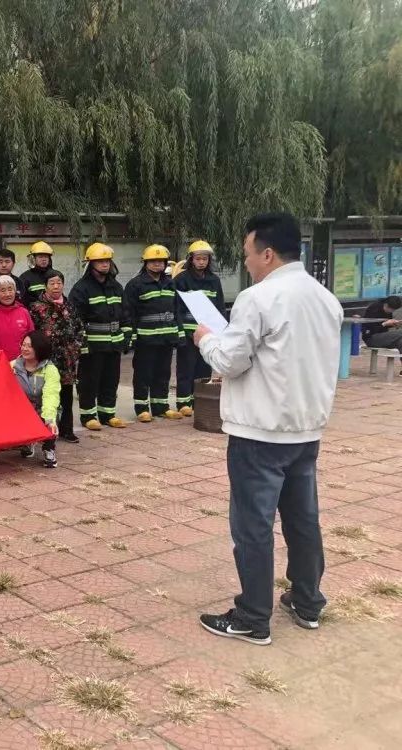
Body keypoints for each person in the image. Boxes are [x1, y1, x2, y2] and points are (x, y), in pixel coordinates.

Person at [194, 213, 342, 645]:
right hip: (306, 428)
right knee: (302, 518)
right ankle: (307, 600)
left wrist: (205, 338)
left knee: (253, 525)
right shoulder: (325, 298)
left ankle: (252, 616)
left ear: (268, 253)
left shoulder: (258, 299)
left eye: (248, 254)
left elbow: (229, 361)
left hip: (259, 432)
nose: (247, 262)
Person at [68, 243, 129, 430]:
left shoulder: (116, 287)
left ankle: (107, 414)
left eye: (107, 261)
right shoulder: (81, 288)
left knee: (111, 380)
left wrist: (126, 337)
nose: (105, 264)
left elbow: (126, 314)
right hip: (92, 346)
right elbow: (75, 319)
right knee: (89, 381)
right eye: (100, 261)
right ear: (91, 264)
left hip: (113, 344)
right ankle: (88, 416)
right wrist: (82, 344)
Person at [124, 244, 185, 423]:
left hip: (166, 339)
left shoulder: (170, 283)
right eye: (153, 261)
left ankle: (161, 407)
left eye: (160, 261)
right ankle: (142, 408)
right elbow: (129, 312)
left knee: (163, 373)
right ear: (146, 263)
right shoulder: (136, 285)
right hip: (146, 339)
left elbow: (176, 310)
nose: (157, 264)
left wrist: (179, 333)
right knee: (143, 374)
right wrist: (131, 337)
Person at [173, 240, 226, 416]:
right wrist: (180, 331)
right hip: (188, 333)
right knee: (186, 369)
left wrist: (222, 330)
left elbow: (219, 307)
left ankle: (199, 401)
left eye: (205, 259)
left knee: (203, 369)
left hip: (207, 335)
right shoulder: (181, 279)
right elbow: (176, 308)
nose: (202, 262)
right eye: (198, 259)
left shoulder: (214, 280)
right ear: (191, 260)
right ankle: (183, 403)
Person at [30, 272, 84, 443]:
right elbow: (32, 334)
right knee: (44, 397)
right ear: (45, 286)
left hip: (67, 360)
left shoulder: (70, 306)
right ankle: (40, 430)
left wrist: (75, 348)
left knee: (66, 397)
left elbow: (79, 329)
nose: (56, 286)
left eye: (59, 283)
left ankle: (66, 429)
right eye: (52, 283)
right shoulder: (37, 308)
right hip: (46, 361)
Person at [11, 331, 60, 468]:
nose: (24, 349)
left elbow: (51, 395)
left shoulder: (50, 370)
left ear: (39, 349)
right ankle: (27, 440)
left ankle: (48, 448)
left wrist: (49, 419)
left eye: (29, 346)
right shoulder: (14, 366)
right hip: (21, 409)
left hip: (42, 408)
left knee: (51, 418)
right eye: (23, 345)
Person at [0, 275, 35, 359]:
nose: (7, 294)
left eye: (10, 289)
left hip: (21, 363)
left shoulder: (23, 312)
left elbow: (32, 338)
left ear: (15, 291)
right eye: (3, 290)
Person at [20, 241, 56, 306]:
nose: (44, 259)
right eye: (40, 257)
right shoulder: (25, 277)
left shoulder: (55, 275)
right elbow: (21, 301)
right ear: (33, 259)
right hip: (32, 314)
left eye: (46, 257)